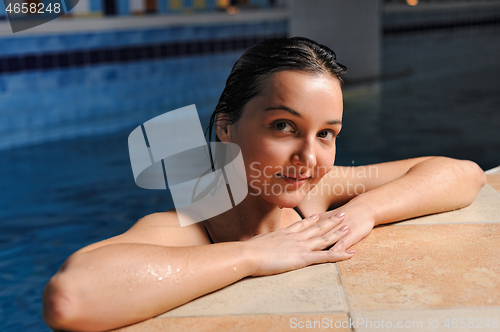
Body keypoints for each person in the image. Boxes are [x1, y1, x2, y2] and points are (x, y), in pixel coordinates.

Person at [42, 37, 487, 332]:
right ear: (226, 128)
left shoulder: (318, 193)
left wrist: (362, 210)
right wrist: (254, 254)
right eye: (283, 126)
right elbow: (71, 297)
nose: (309, 158)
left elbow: (461, 173)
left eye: (326, 133)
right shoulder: (188, 229)